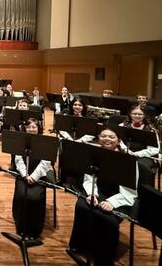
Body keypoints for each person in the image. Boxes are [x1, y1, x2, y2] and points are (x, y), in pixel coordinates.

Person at [68, 128, 138, 266]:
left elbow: (130, 190)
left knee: (108, 219)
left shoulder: (128, 160)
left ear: (119, 140)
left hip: (120, 196)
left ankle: (103, 258)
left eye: (111, 137)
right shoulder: (94, 154)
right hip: (97, 191)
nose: (107, 139)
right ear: (99, 138)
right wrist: (92, 194)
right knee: (81, 206)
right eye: (104, 136)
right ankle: (81, 247)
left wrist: (111, 202)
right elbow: (88, 179)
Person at [12, 118, 52, 239]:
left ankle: (34, 230)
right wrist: (24, 174)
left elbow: (45, 162)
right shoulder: (21, 141)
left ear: (38, 129)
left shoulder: (45, 142)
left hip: (38, 175)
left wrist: (34, 177)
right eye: (29, 127)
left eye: (34, 127)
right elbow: (18, 159)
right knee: (21, 195)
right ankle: (21, 227)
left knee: (34, 197)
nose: (31, 129)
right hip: (24, 174)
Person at [120, 105, 159, 187]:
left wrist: (136, 154)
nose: (137, 116)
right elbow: (118, 140)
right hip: (125, 152)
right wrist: (125, 149)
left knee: (140, 166)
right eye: (134, 113)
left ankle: (142, 191)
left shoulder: (151, 129)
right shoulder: (122, 126)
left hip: (144, 156)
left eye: (140, 114)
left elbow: (155, 149)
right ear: (130, 114)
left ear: (144, 115)